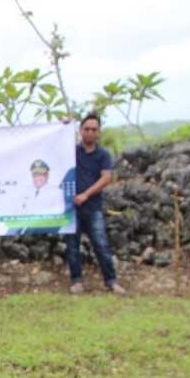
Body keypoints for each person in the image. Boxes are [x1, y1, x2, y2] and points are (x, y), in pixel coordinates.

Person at [66, 113, 123, 295]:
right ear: (80, 131)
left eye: (94, 129)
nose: (90, 132)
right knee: (72, 246)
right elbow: (54, 148)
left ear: (99, 132)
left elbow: (106, 177)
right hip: (71, 207)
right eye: (86, 129)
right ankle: (76, 281)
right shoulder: (72, 151)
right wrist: (63, 126)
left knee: (101, 244)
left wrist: (86, 194)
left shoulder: (103, 154)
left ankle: (111, 281)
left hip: (93, 207)